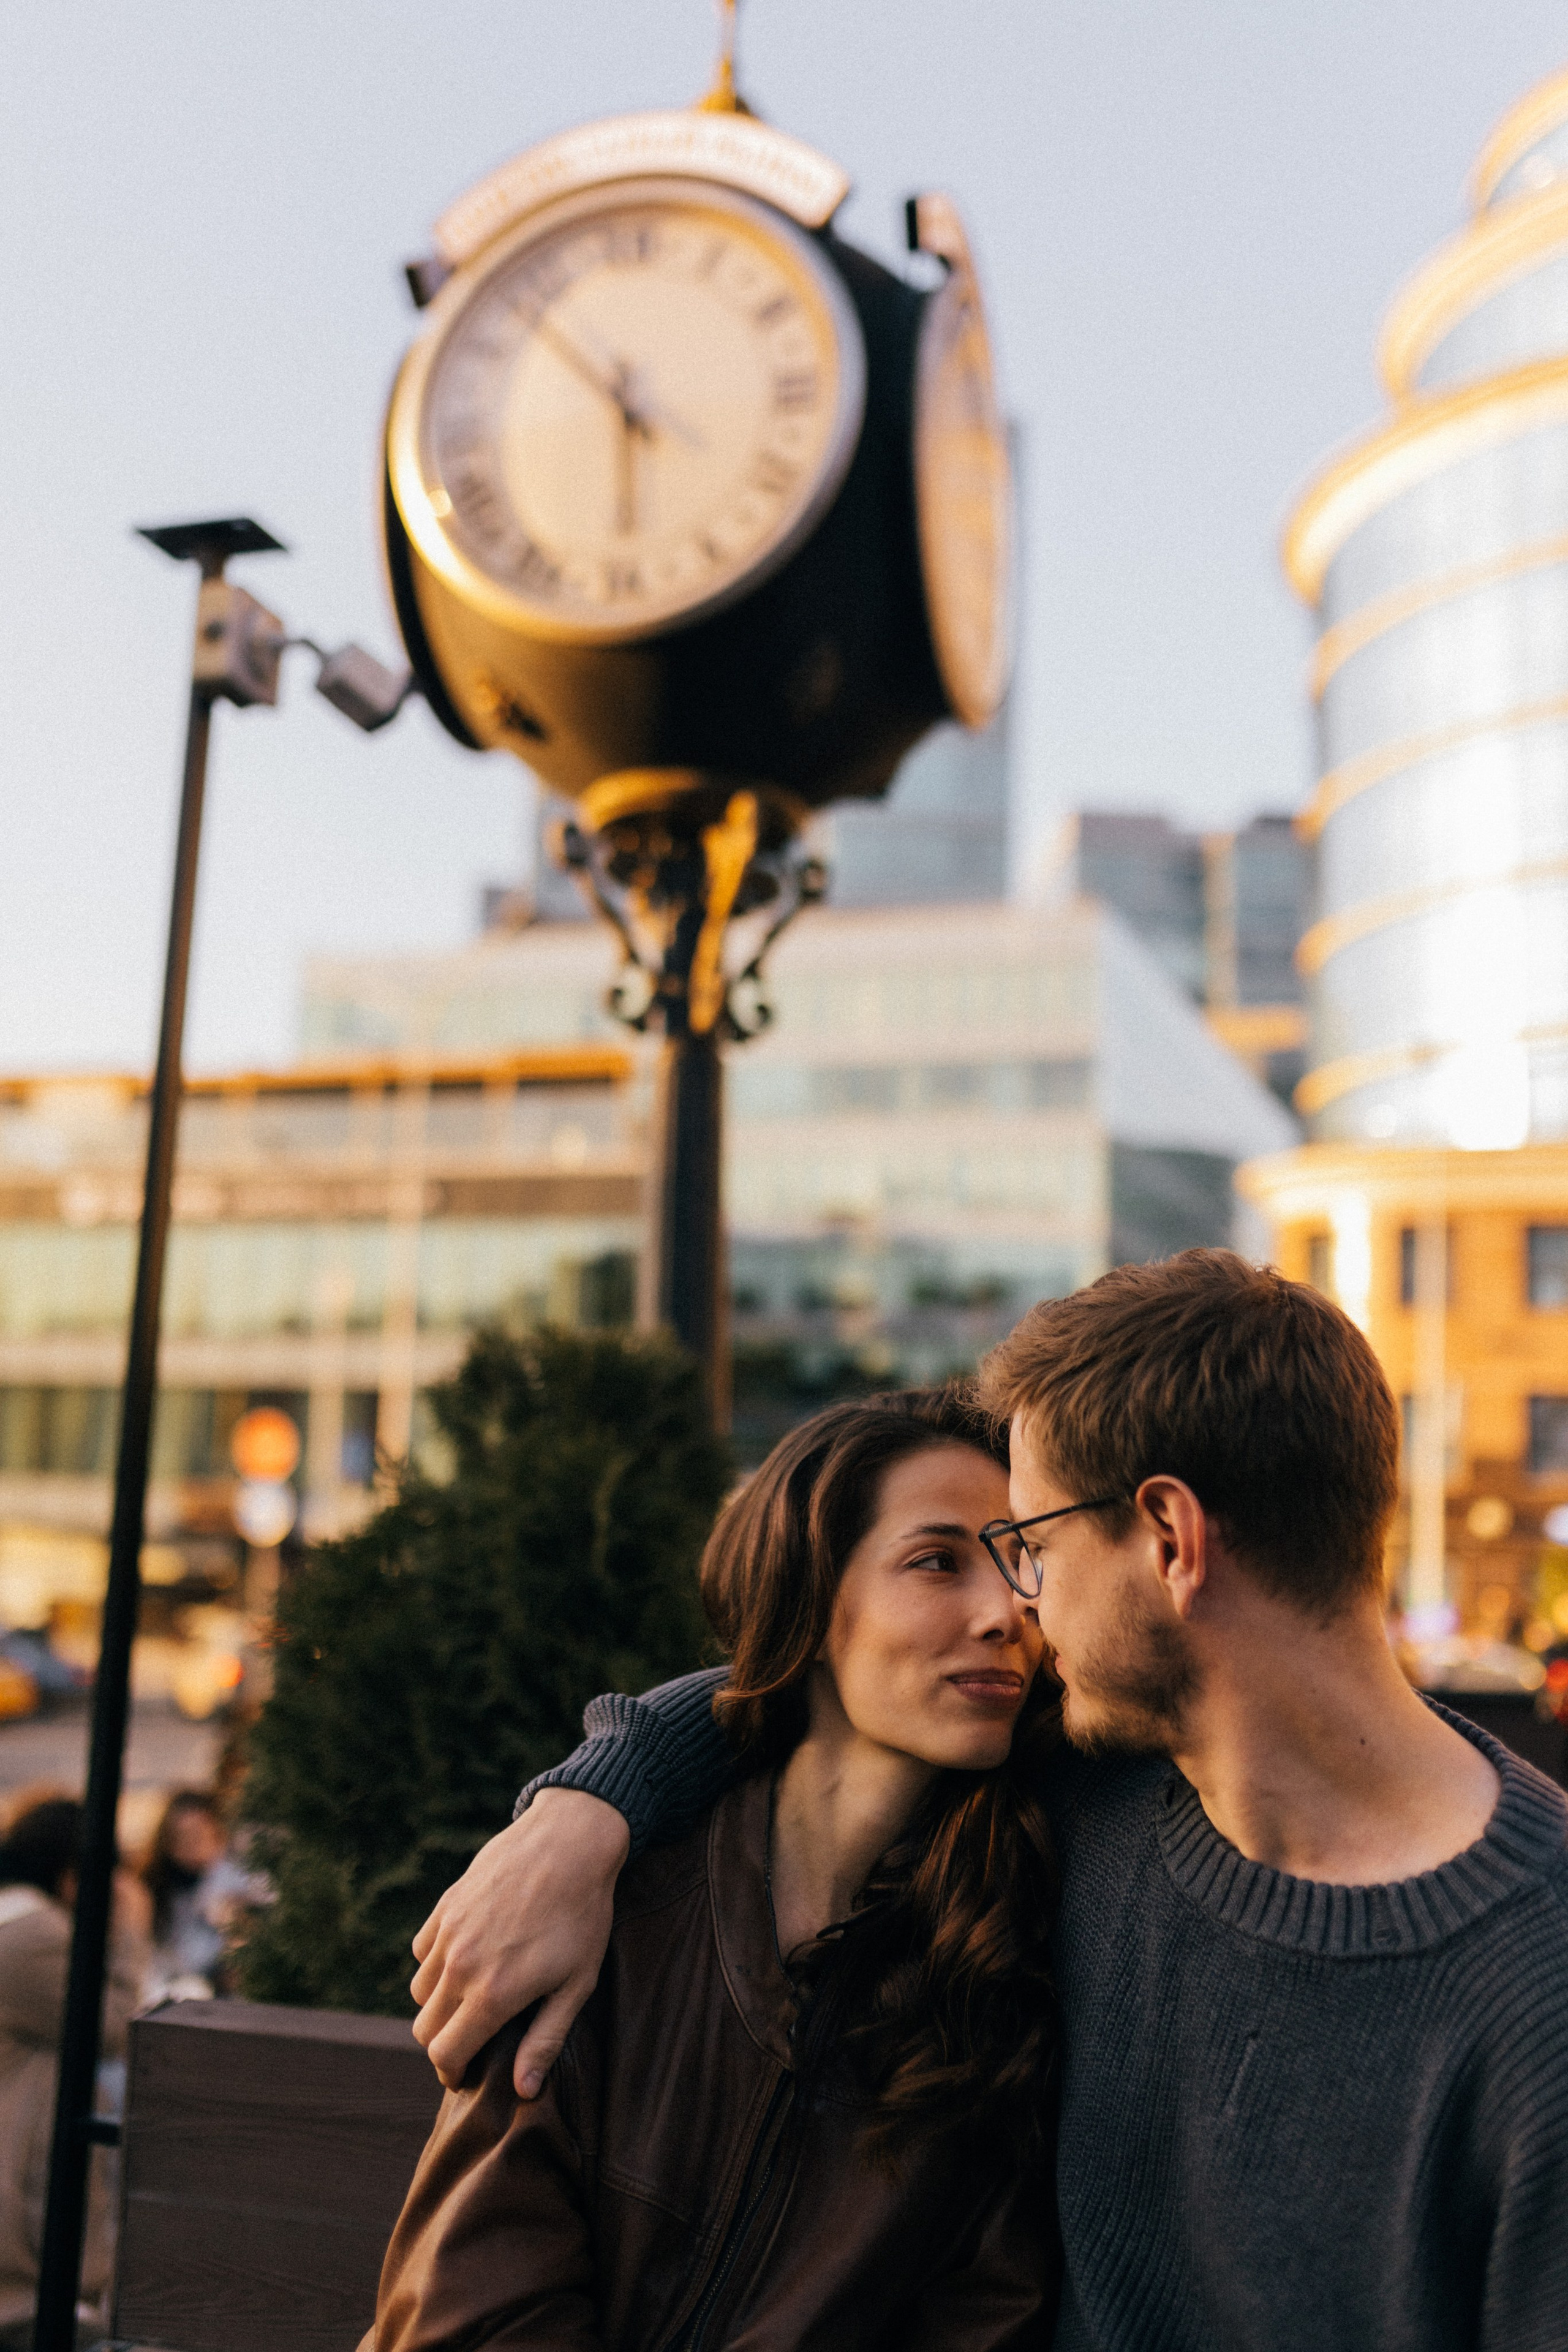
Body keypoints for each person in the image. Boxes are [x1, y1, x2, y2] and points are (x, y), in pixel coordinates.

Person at [409, 1251, 1568, 2351]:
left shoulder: (1536, 1991)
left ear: (1168, 1538)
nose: (1020, 1608)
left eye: (1032, 1544)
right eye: (966, 1557)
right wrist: (590, 1804)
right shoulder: (1084, 1791)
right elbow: (812, 1697)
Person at [368, 1390, 1055, 2350]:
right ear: (811, 1600)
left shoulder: (1005, 1953)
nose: (1008, 1612)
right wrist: (598, 1797)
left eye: (1022, 1561)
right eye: (937, 1562)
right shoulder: (609, 1905)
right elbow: (471, 2319)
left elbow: (988, 2316)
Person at [0, 1795, 149, 2351]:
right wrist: (131, 1929)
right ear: (73, 1879)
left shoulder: (13, 1920)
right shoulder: (32, 1936)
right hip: (19, 2207)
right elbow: (115, 2026)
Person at [140, 1788, 253, 2002]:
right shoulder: (158, 1888)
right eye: (181, 1837)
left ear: (217, 1833)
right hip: (174, 1995)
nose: (190, 1845)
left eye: (198, 1835)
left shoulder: (239, 1883)